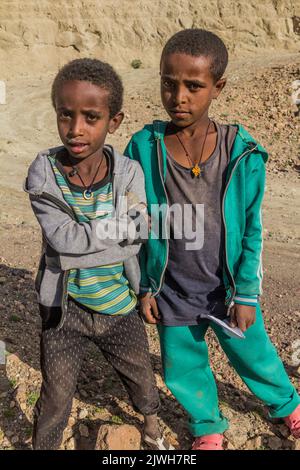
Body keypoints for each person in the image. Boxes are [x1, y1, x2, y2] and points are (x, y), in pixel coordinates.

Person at [124, 29, 300, 450]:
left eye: (193, 86)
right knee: (183, 366)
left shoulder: (242, 152)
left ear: (217, 88)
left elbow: (253, 229)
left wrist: (248, 295)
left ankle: (287, 405)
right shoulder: (143, 148)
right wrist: (146, 286)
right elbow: (135, 225)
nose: (178, 96)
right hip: (172, 287)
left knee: (253, 353)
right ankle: (207, 425)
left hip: (228, 289)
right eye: (169, 82)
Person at [24, 58, 173, 450]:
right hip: (65, 309)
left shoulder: (127, 173)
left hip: (119, 304)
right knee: (56, 395)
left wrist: (116, 251)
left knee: (141, 375)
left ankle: (152, 427)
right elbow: (63, 241)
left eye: (91, 117)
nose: (76, 129)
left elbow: (138, 234)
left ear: (115, 120)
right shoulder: (45, 174)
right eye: (65, 115)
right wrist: (116, 235)